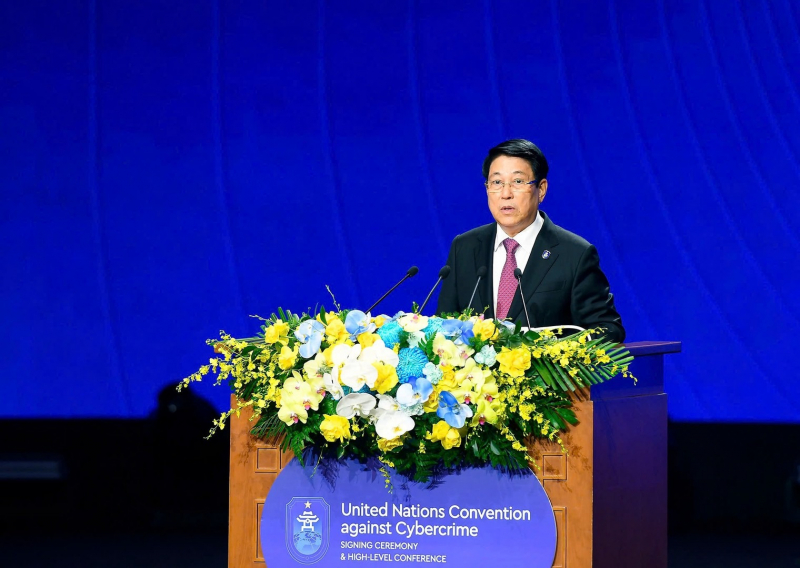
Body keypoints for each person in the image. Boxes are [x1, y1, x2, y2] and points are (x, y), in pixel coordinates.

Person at [436, 139, 625, 343]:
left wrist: (553, 351)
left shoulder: (575, 253)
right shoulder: (464, 247)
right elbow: (443, 324)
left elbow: (607, 329)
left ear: (541, 189)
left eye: (518, 182)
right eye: (497, 183)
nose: (506, 194)